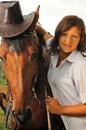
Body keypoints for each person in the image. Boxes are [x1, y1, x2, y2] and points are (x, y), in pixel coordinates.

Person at [36, 15, 86, 130]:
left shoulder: (80, 66)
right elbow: (45, 36)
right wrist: (35, 26)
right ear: (58, 35)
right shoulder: (55, 54)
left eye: (74, 36)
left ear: (80, 39)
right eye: (64, 34)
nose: (68, 41)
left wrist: (60, 109)